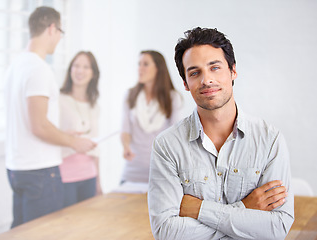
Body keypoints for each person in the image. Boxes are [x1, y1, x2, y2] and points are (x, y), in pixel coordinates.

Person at [148, 27, 294, 240]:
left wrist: (198, 210)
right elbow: (166, 232)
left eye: (214, 68)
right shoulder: (167, 146)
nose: (206, 80)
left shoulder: (269, 140)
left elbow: (277, 228)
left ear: (233, 71)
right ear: (185, 84)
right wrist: (244, 208)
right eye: (195, 72)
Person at [4, 7, 96, 228]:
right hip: (40, 172)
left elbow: (31, 123)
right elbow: (39, 126)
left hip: (18, 168)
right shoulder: (38, 69)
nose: (59, 40)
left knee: (22, 232)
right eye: (60, 32)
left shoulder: (15, 66)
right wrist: (75, 142)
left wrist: (64, 134)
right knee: (45, 233)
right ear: (52, 29)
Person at [121, 50, 183, 183]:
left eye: (145, 64)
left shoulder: (172, 98)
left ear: (158, 68)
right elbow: (125, 129)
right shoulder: (130, 95)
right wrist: (126, 146)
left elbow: (174, 137)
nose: (140, 69)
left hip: (160, 172)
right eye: (139, 64)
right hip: (132, 170)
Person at [59, 51, 102, 207]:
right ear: (70, 69)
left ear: (93, 74)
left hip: (89, 175)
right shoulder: (59, 99)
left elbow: (96, 148)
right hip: (65, 176)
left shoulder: (94, 105)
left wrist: (98, 181)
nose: (80, 71)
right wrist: (68, 138)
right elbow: (50, 134)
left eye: (85, 67)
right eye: (76, 66)